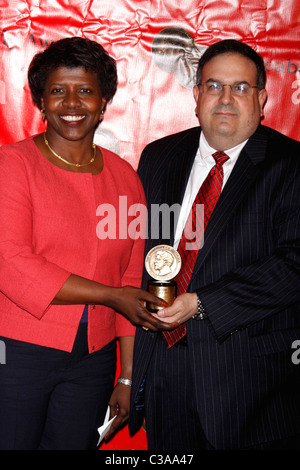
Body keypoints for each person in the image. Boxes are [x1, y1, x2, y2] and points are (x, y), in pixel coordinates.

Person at [0, 36, 174, 450]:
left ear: (103, 101)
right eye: (58, 91)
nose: (72, 102)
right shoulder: (13, 165)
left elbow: (133, 280)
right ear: (41, 102)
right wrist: (112, 296)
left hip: (93, 361)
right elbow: (11, 262)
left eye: (85, 91)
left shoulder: (125, 177)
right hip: (19, 352)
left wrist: (127, 376)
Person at [129, 39, 300, 450]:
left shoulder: (291, 165)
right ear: (196, 95)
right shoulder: (159, 156)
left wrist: (201, 302)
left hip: (250, 381)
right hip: (164, 369)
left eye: (240, 88)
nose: (225, 98)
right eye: (213, 86)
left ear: (261, 98)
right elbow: (145, 250)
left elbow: (294, 265)